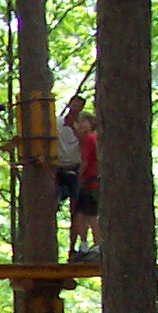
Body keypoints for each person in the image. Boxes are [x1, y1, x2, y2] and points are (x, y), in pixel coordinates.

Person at [70, 112, 101, 262]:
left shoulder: (89, 138)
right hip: (91, 180)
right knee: (82, 213)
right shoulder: (91, 138)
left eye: (84, 122)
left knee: (90, 213)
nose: (81, 125)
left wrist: (78, 176)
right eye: (80, 122)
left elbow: (85, 161)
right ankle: (85, 244)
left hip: (90, 181)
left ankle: (96, 244)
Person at [56, 97, 84, 213]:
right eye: (74, 104)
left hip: (76, 166)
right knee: (58, 195)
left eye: (79, 106)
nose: (76, 108)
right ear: (69, 104)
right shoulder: (57, 122)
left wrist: (73, 127)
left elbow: (86, 142)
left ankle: (75, 222)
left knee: (76, 204)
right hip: (59, 166)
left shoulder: (83, 126)